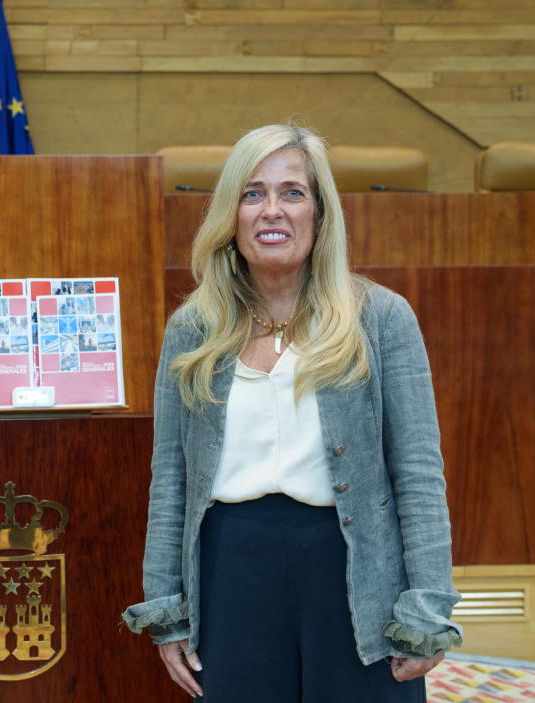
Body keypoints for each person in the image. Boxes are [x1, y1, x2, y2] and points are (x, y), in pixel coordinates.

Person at [121, 124, 460, 702]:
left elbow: (419, 473)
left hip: (355, 572)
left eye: (292, 192)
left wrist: (427, 606)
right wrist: (166, 605)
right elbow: (171, 479)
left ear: (321, 214)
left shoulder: (381, 318)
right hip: (231, 572)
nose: (271, 210)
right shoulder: (192, 329)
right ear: (231, 216)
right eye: (252, 194)